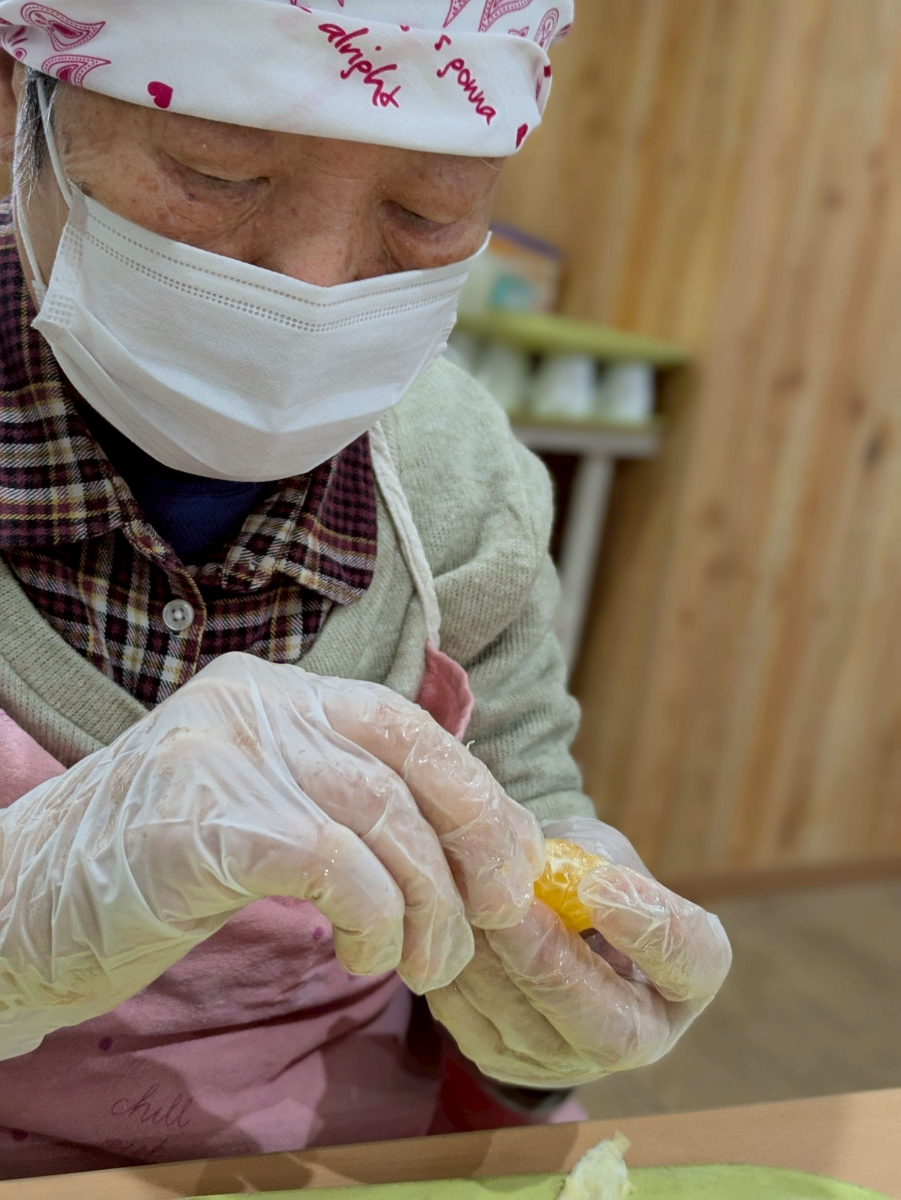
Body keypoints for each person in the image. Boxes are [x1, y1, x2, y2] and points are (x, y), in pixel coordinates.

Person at [0, 0, 732, 1180]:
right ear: (20, 102)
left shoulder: (459, 485)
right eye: (215, 172)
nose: (314, 283)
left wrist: (549, 1006)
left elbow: (525, 801)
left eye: (426, 209)